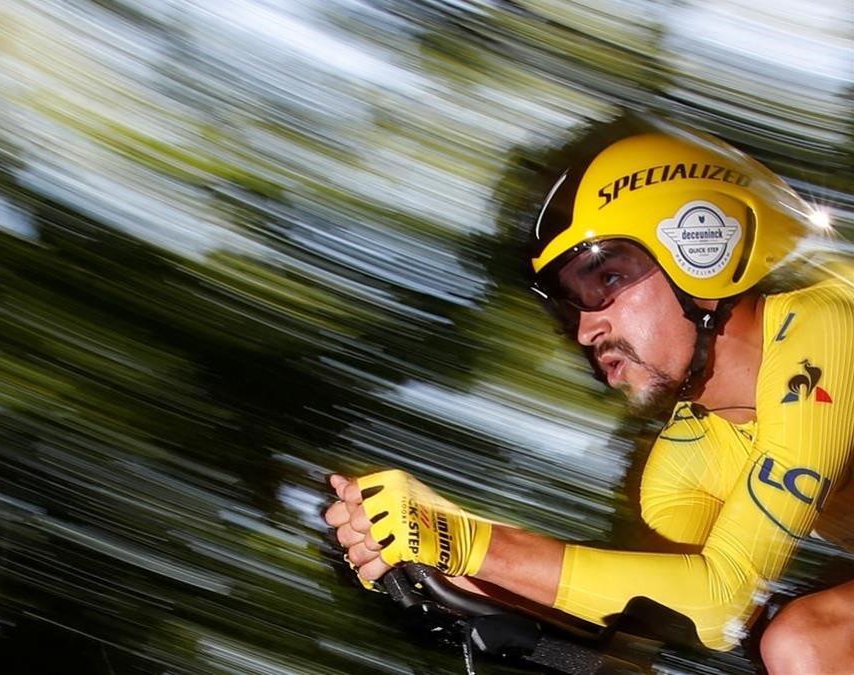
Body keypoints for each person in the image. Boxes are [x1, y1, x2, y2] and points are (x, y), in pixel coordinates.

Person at [324, 122, 853, 674]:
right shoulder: (688, 457)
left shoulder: (832, 317)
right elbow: (653, 625)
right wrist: (462, 572)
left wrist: (476, 544)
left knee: (808, 642)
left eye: (604, 279)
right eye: (567, 304)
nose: (584, 330)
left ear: (704, 245)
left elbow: (724, 598)